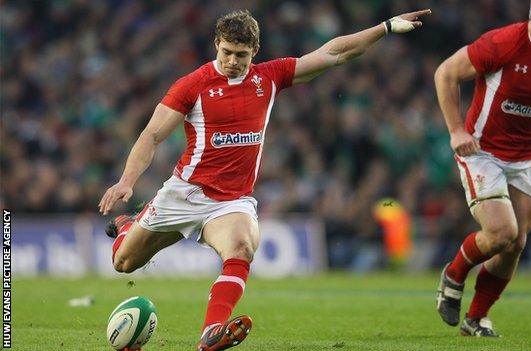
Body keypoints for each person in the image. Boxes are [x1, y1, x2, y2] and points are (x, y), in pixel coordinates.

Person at [98, 8, 431, 351]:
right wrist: (127, 180)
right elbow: (152, 135)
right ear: (217, 45)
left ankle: (210, 333)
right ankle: (127, 226)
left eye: (240, 55)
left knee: (242, 248)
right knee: (124, 263)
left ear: (254, 52)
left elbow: (335, 53)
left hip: (231, 202)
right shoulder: (193, 85)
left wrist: (385, 26)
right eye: (226, 52)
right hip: (184, 194)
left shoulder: (269, 78)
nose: (231, 61)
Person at [433, 0, 531, 337]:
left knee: (517, 243)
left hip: (528, 155)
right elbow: (446, 73)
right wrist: (456, 131)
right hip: (482, 150)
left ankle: (476, 318)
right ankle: (455, 273)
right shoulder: (502, 43)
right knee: (501, 233)